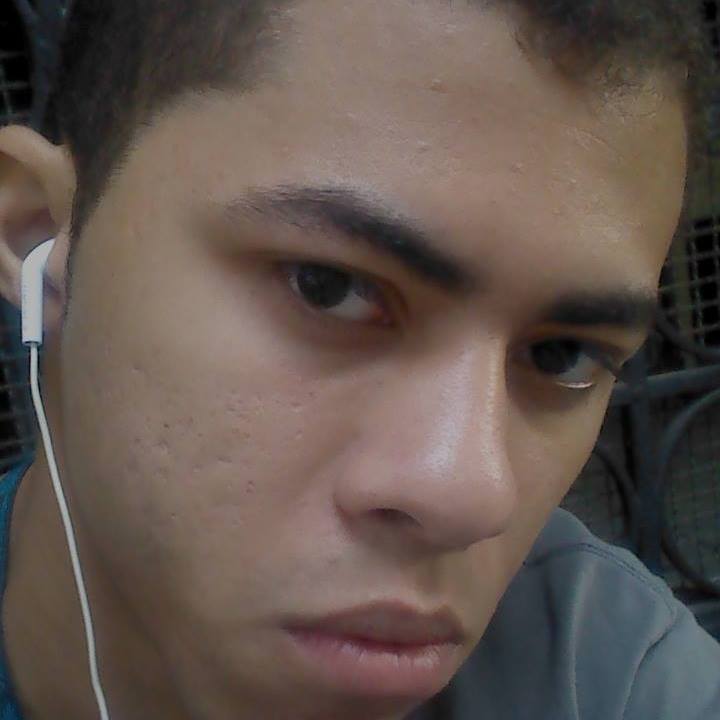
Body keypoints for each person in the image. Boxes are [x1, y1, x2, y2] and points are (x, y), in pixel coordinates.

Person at [0, 0, 718, 718]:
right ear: (38, 238)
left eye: (561, 355)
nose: (469, 494)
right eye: (329, 288)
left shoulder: (615, 677)